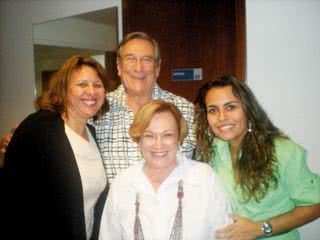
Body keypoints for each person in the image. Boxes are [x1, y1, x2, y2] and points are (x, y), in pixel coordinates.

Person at [194, 75, 320, 240]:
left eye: (230, 107)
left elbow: (314, 205)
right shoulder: (209, 151)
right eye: (213, 110)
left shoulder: (283, 151)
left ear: (248, 109)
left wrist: (260, 228)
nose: (222, 117)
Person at [2, 55, 109, 240]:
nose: (91, 91)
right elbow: (13, 197)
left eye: (98, 85)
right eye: (82, 84)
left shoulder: (93, 133)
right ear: (64, 90)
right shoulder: (39, 128)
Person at [99, 99, 231, 240]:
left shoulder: (205, 178)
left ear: (179, 138)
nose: (158, 144)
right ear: (139, 139)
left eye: (167, 135)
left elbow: (226, 235)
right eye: (149, 136)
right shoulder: (123, 183)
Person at [92, 32, 196, 182]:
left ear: (157, 67)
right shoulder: (98, 111)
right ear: (119, 67)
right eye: (131, 59)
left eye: (147, 59)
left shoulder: (186, 111)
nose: (138, 68)